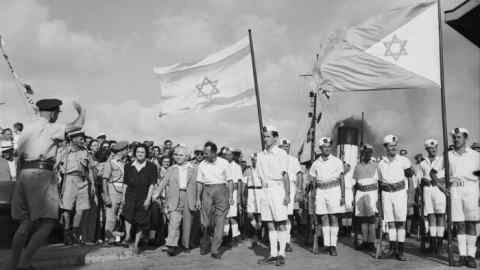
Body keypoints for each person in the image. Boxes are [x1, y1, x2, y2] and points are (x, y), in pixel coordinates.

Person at [8, 98, 85, 270]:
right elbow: (77, 126)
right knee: (48, 222)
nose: (57, 116)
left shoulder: (27, 129)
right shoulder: (49, 127)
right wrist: (82, 112)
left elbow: (18, 157)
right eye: (57, 113)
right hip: (41, 174)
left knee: (26, 222)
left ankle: (13, 264)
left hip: (24, 174)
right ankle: (24, 263)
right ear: (52, 112)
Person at [432, 128, 480, 268]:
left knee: (471, 224)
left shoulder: (475, 155)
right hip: (455, 191)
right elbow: (433, 173)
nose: (455, 140)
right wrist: (442, 187)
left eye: (458, 137)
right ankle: (462, 256)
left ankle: (471, 256)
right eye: (454, 137)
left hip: (472, 190)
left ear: (465, 138)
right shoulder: (448, 155)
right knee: (459, 224)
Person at [256, 125, 290, 266]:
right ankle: (273, 254)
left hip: (278, 189)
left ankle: (281, 254)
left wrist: (287, 194)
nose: (266, 139)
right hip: (265, 190)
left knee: (281, 223)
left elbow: (285, 175)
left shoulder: (281, 154)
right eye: (264, 136)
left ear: (275, 138)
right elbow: (260, 175)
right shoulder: (260, 155)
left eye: (268, 136)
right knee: (269, 224)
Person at [378, 135, 413, 261]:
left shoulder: (404, 161)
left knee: (400, 222)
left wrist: (410, 196)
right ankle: (393, 249)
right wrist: (379, 201)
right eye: (390, 146)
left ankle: (401, 251)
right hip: (386, 194)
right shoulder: (381, 163)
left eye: (395, 145)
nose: (393, 148)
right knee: (391, 223)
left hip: (400, 194)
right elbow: (379, 183)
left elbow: (410, 179)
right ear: (386, 147)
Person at [196, 141, 233, 259]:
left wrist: (231, 196)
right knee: (205, 222)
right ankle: (205, 243)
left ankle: (215, 249)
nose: (204, 155)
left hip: (221, 191)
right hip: (207, 191)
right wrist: (197, 198)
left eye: (206, 153)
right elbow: (199, 182)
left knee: (220, 221)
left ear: (214, 152)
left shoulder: (224, 163)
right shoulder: (202, 164)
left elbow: (230, 181)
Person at [158, 145, 197, 256]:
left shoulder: (193, 169)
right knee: (174, 221)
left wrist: (198, 199)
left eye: (181, 155)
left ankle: (185, 245)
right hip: (174, 196)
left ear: (187, 156)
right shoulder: (171, 168)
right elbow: (163, 182)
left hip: (189, 196)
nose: (178, 157)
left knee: (187, 222)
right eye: (176, 154)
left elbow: (198, 185)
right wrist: (156, 193)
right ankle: (171, 245)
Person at [309, 137, 344, 257]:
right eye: (324, 147)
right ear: (320, 148)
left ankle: (333, 245)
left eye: (329, 146)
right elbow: (313, 181)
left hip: (334, 190)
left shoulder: (337, 161)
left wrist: (343, 195)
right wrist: (313, 195)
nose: (327, 149)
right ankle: (327, 244)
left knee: (333, 218)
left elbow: (342, 179)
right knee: (323, 218)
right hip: (320, 191)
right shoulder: (315, 163)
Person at [57, 130, 94, 245]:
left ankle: (74, 234)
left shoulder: (86, 152)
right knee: (67, 208)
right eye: (80, 137)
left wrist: (92, 184)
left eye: (83, 137)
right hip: (69, 180)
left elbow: (90, 169)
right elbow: (56, 167)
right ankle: (67, 234)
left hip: (83, 181)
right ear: (72, 139)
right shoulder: (63, 151)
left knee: (81, 209)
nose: (83, 139)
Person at [122, 144, 157, 254]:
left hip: (144, 195)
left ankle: (136, 244)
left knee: (140, 221)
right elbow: (125, 183)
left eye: (142, 152)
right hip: (130, 194)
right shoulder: (128, 166)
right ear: (135, 153)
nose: (140, 154)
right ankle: (127, 235)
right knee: (128, 215)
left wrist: (148, 199)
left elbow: (152, 184)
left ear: (146, 154)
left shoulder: (152, 166)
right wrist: (123, 197)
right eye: (138, 152)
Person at [419, 139, 446, 255]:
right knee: (431, 216)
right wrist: (420, 195)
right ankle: (433, 244)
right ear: (427, 149)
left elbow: (448, 175)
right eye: (430, 148)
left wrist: (441, 182)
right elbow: (419, 180)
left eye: (435, 147)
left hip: (439, 189)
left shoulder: (442, 160)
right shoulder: (422, 163)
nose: (433, 149)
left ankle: (440, 244)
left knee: (440, 215)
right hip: (427, 190)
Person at [352, 144, 379, 251]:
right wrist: (353, 198)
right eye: (365, 153)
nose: (367, 154)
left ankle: (371, 242)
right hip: (360, 194)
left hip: (372, 194)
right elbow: (354, 183)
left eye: (369, 152)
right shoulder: (357, 166)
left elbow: (379, 182)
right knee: (363, 219)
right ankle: (364, 241)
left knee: (371, 219)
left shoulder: (376, 166)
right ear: (362, 154)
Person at [102, 141, 129, 245]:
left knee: (119, 216)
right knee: (111, 216)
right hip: (112, 189)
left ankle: (116, 238)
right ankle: (108, 238)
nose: (127, 151)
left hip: (122, 191)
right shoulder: (110, 163)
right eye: (126, 150)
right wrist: (106, 196)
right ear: (121, 151)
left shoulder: (124, 164)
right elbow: (104, 180)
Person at [279, 138, 303, 252]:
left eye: (287, 147)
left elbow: (299, 175)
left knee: (288, 216)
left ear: (289, 148)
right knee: (278, 215)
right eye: (283, 147)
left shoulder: (294, 160)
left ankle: (287, 241)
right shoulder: (275, 159)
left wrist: (299, 190)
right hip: (278, 188)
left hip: (291, 188)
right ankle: (279, 240)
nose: (285, 149)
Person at [221, 147, 243, 246]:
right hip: (223, 192)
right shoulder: (221, 165)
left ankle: (235, 236)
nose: (227, 156)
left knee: (233, 216)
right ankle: (225, 236)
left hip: (233, 193)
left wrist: (238, 197)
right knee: (225, 216)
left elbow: (239, 182)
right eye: (226, 155)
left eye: (229, 155)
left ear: (232, 156)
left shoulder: (237, 166)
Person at [245, 153, 263, 248]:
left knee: (260, 214)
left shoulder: (262, 169)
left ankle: (257, 236)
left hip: (260, 191)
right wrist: (244, 195)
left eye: (255, 159)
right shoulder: (248, 170)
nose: (254, 161)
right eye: (252, 159)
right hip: (251, 191)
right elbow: (244, 183)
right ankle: (256, 230)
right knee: (250, 214)